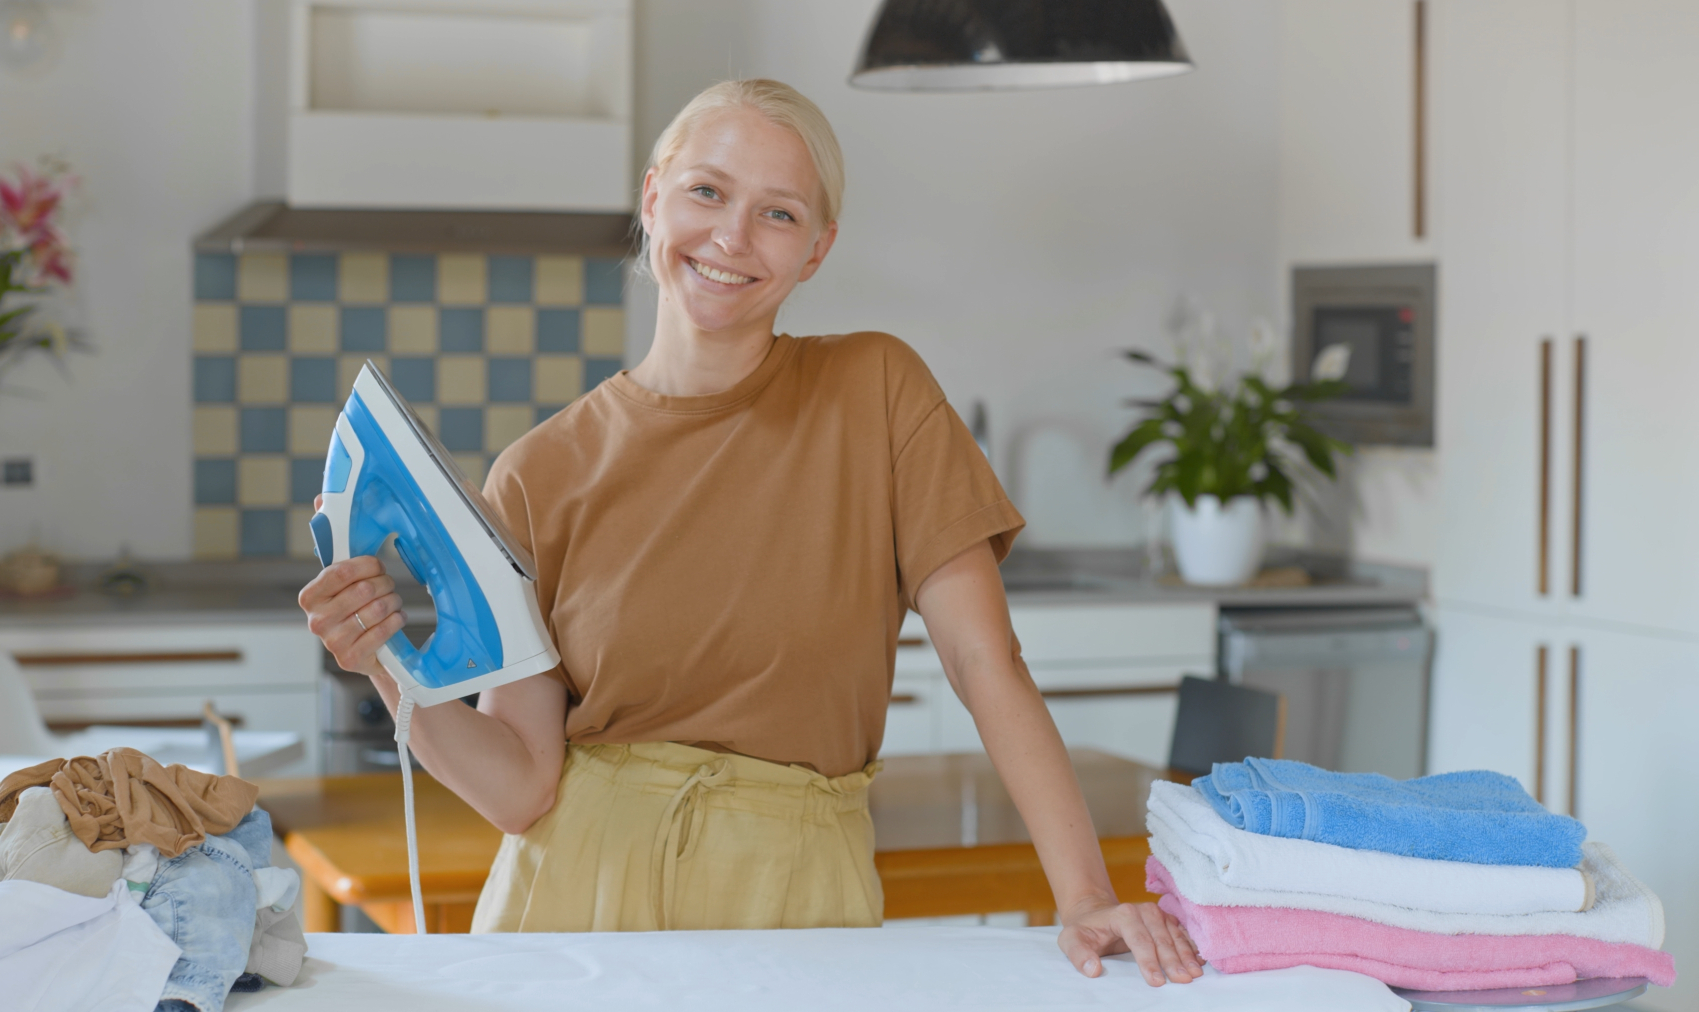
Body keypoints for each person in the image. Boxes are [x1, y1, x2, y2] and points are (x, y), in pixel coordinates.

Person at [298, 79, 1203, 985]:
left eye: (778, 212)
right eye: (707, 191)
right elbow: (522, 787)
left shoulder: (877, 392)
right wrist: (384, 661)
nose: (732, 237)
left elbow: (984, 662)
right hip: (575, 910)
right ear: (653, 199)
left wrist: (1084, 897)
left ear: (816, 252)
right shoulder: (540, 471)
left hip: (800, 904)